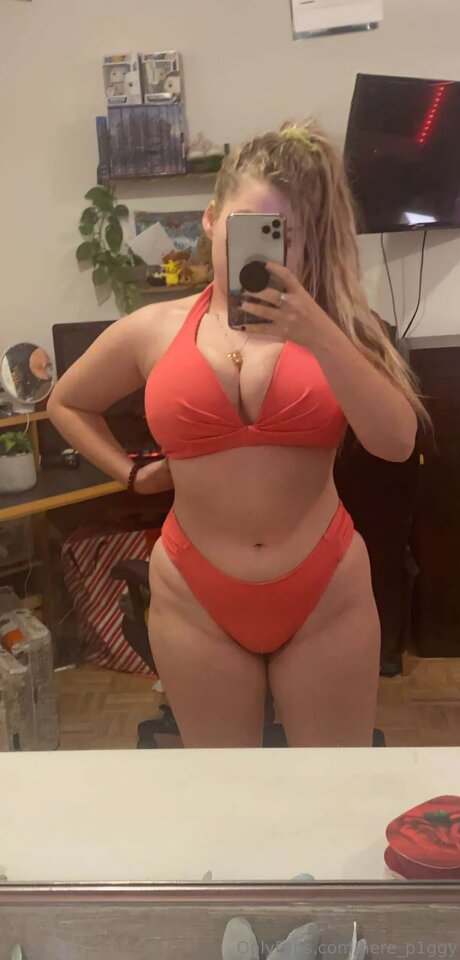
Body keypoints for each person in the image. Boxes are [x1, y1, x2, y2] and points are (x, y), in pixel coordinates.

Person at [48, 120, 427, 749]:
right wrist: (132, 474)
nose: (265, 251)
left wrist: (318, 333)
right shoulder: (153, 329)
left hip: (325, 591)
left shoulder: (341, 326)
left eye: (285, 235)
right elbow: (67, 401)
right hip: (194, 594)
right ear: (210, 219)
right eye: (247, 227)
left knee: (330, 788)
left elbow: (397, 442)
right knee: (226, 792)